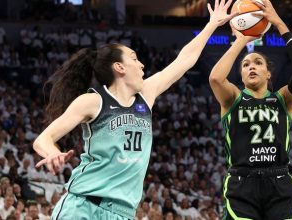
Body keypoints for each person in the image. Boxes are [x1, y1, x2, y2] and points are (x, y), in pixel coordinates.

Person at [32, 0, 237, 219]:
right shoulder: (93, 101)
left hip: (123, 213)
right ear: (119, 67)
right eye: (134, 59)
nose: (142, 65)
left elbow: (184, 60)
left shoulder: (146, 95)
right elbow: (43, 140)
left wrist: (212, 24)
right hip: (84, 207)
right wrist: (52, 152)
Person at [208, 0, 292, 219]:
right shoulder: (233, 98)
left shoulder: (283, 99)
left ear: (268, 73)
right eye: (246, 65)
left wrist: (280, 24)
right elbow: (216, 78)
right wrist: (241, 40)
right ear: (242, 75)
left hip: (279, 181)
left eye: (257, 63)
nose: (251, 66)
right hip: (242, 182)